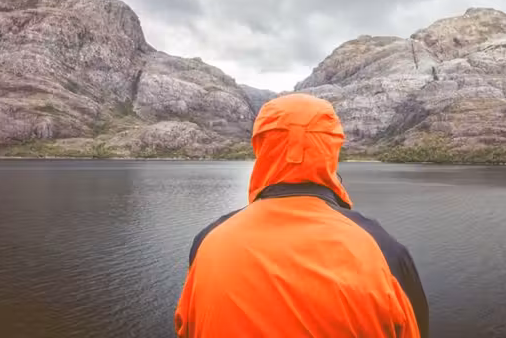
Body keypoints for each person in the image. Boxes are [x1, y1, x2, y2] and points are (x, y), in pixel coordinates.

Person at [175, 93, 429, 337]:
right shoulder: (384, 251)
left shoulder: (207, 242)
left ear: (260, 146)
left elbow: (186, 326)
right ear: (332, 149)